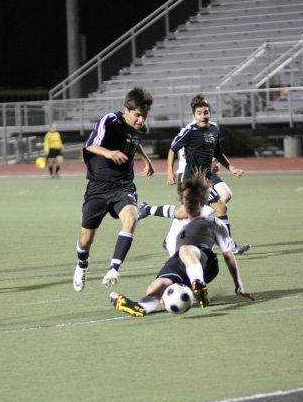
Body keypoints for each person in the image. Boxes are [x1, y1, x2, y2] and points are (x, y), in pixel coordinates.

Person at [110, 170, 255, 316]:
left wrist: (238, 285)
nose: (189, 203)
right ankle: (142, 307)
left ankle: (199, 285)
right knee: (157, 285)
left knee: (186, 250)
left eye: (193, 200)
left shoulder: (214, 224)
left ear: (203, 201)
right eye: (186, 200)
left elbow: (228, 255)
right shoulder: (178, 220)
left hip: (205, 262)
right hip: (179, 262)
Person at [138, 93, 250, 255]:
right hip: (192, 179)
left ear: (210, 113)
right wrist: (169, 172)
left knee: (184, 212)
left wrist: (231, 168)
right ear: (193, 115)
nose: (203, 116)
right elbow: (172, 149)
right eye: (199, 113)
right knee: (218, 207)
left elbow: (218, 152)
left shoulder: (214, 129)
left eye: (206, 112)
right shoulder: (189, 131)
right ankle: (228, 246)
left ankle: (148, 210)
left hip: (205, 176)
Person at [73, 86, 155, 291]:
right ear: (126, 109)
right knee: (85, 240)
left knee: (131, 217)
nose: (141, 121)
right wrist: (109, 153)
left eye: (144, 116)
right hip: (98, 186)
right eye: (137, 115)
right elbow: (91, 145)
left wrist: (146, 160)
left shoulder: (137, 128)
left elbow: (134, 142)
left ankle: (113, 268)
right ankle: (82, 263)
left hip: (123, 185)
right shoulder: (110, 120)